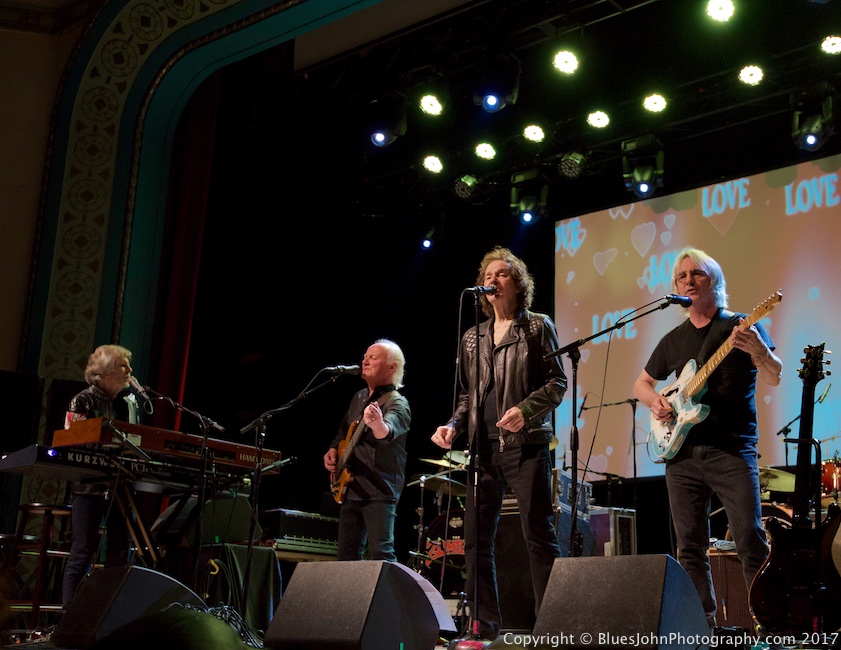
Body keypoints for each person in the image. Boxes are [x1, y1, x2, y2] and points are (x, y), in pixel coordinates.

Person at [633, 247, 782, 627]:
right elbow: (642, 383)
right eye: (682, 276)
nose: (688, 281)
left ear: (714, 281)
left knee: (750, 540)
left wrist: (760, 351)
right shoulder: (673, 339)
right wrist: (656, 403)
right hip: (681, 455)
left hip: (731, 449)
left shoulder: (742, 326)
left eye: (696, 274)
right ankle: (703, 627)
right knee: (690, 548)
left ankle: (768, 623)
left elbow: (774, 374)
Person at [431, 246, 567, 640]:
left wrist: (525, 410)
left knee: (538, 536)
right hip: (482, 449)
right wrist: (453, 424)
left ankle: (551, 626)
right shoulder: (473, 337)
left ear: (517, 283)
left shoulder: (537, 326)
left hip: (525, 446)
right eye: (488, 273)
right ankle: (483, 627)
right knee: (475, 542)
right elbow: (466, 395)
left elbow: (557, 382)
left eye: (502, 274)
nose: (493, 279)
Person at [62, 344, 145, 608]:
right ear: (105, 372)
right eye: (123, 366)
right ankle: (69, 616)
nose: (130, 371)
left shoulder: (123, 404)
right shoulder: (82, 400)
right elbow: (73, 441)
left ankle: (107, 615)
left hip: (119, 484)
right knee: (82, 552)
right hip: (89, 486)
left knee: (120, 551)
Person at [323, 339, 411, 562]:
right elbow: (343, 432)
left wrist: (377, 424)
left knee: (381, 553)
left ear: (391, 367)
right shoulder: (359, 397)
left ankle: (389, 598)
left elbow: (387, 432)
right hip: (352, 488)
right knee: (346, 556)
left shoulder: (397, 403)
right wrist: (333, 450)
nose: (365, 360)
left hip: (379, 490)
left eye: (373, 357)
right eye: (365, 356)